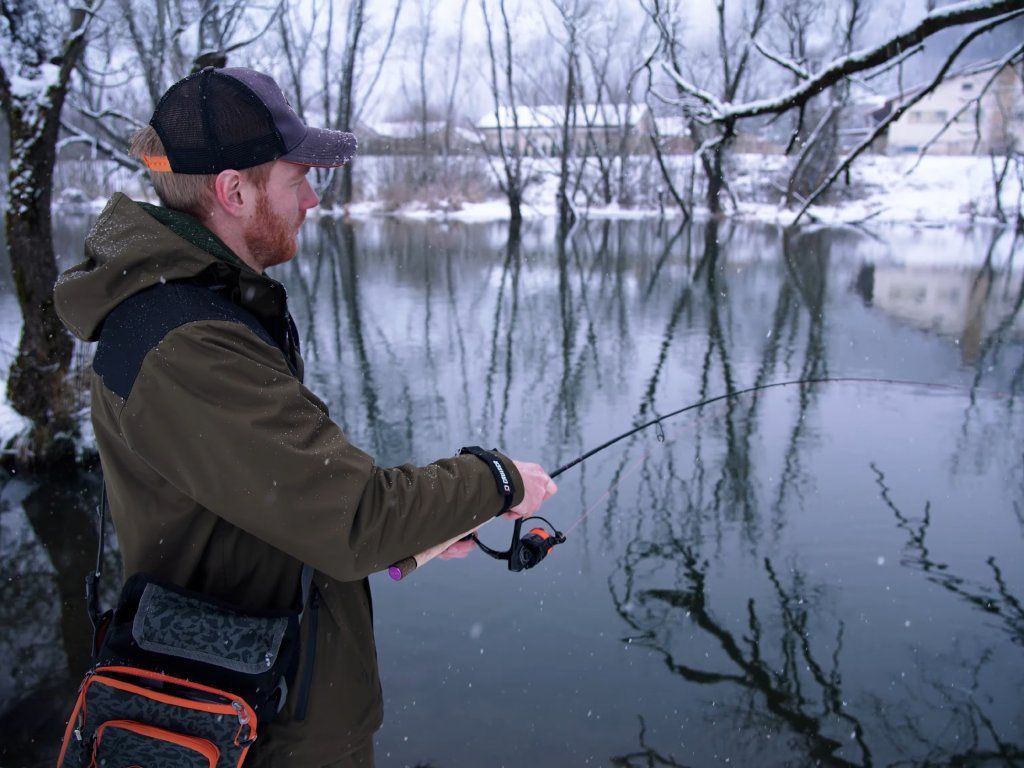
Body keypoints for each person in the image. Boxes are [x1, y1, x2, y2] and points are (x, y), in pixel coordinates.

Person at [53, 66, 556, 767]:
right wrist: (496, 481)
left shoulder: (202, 308)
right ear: (233, 191)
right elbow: (355, 519)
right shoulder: (186, 345)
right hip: (252, 730)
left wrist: (420, 531)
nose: (313, 199)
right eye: (297, 181)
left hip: (258, 696)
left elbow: (284, 501)